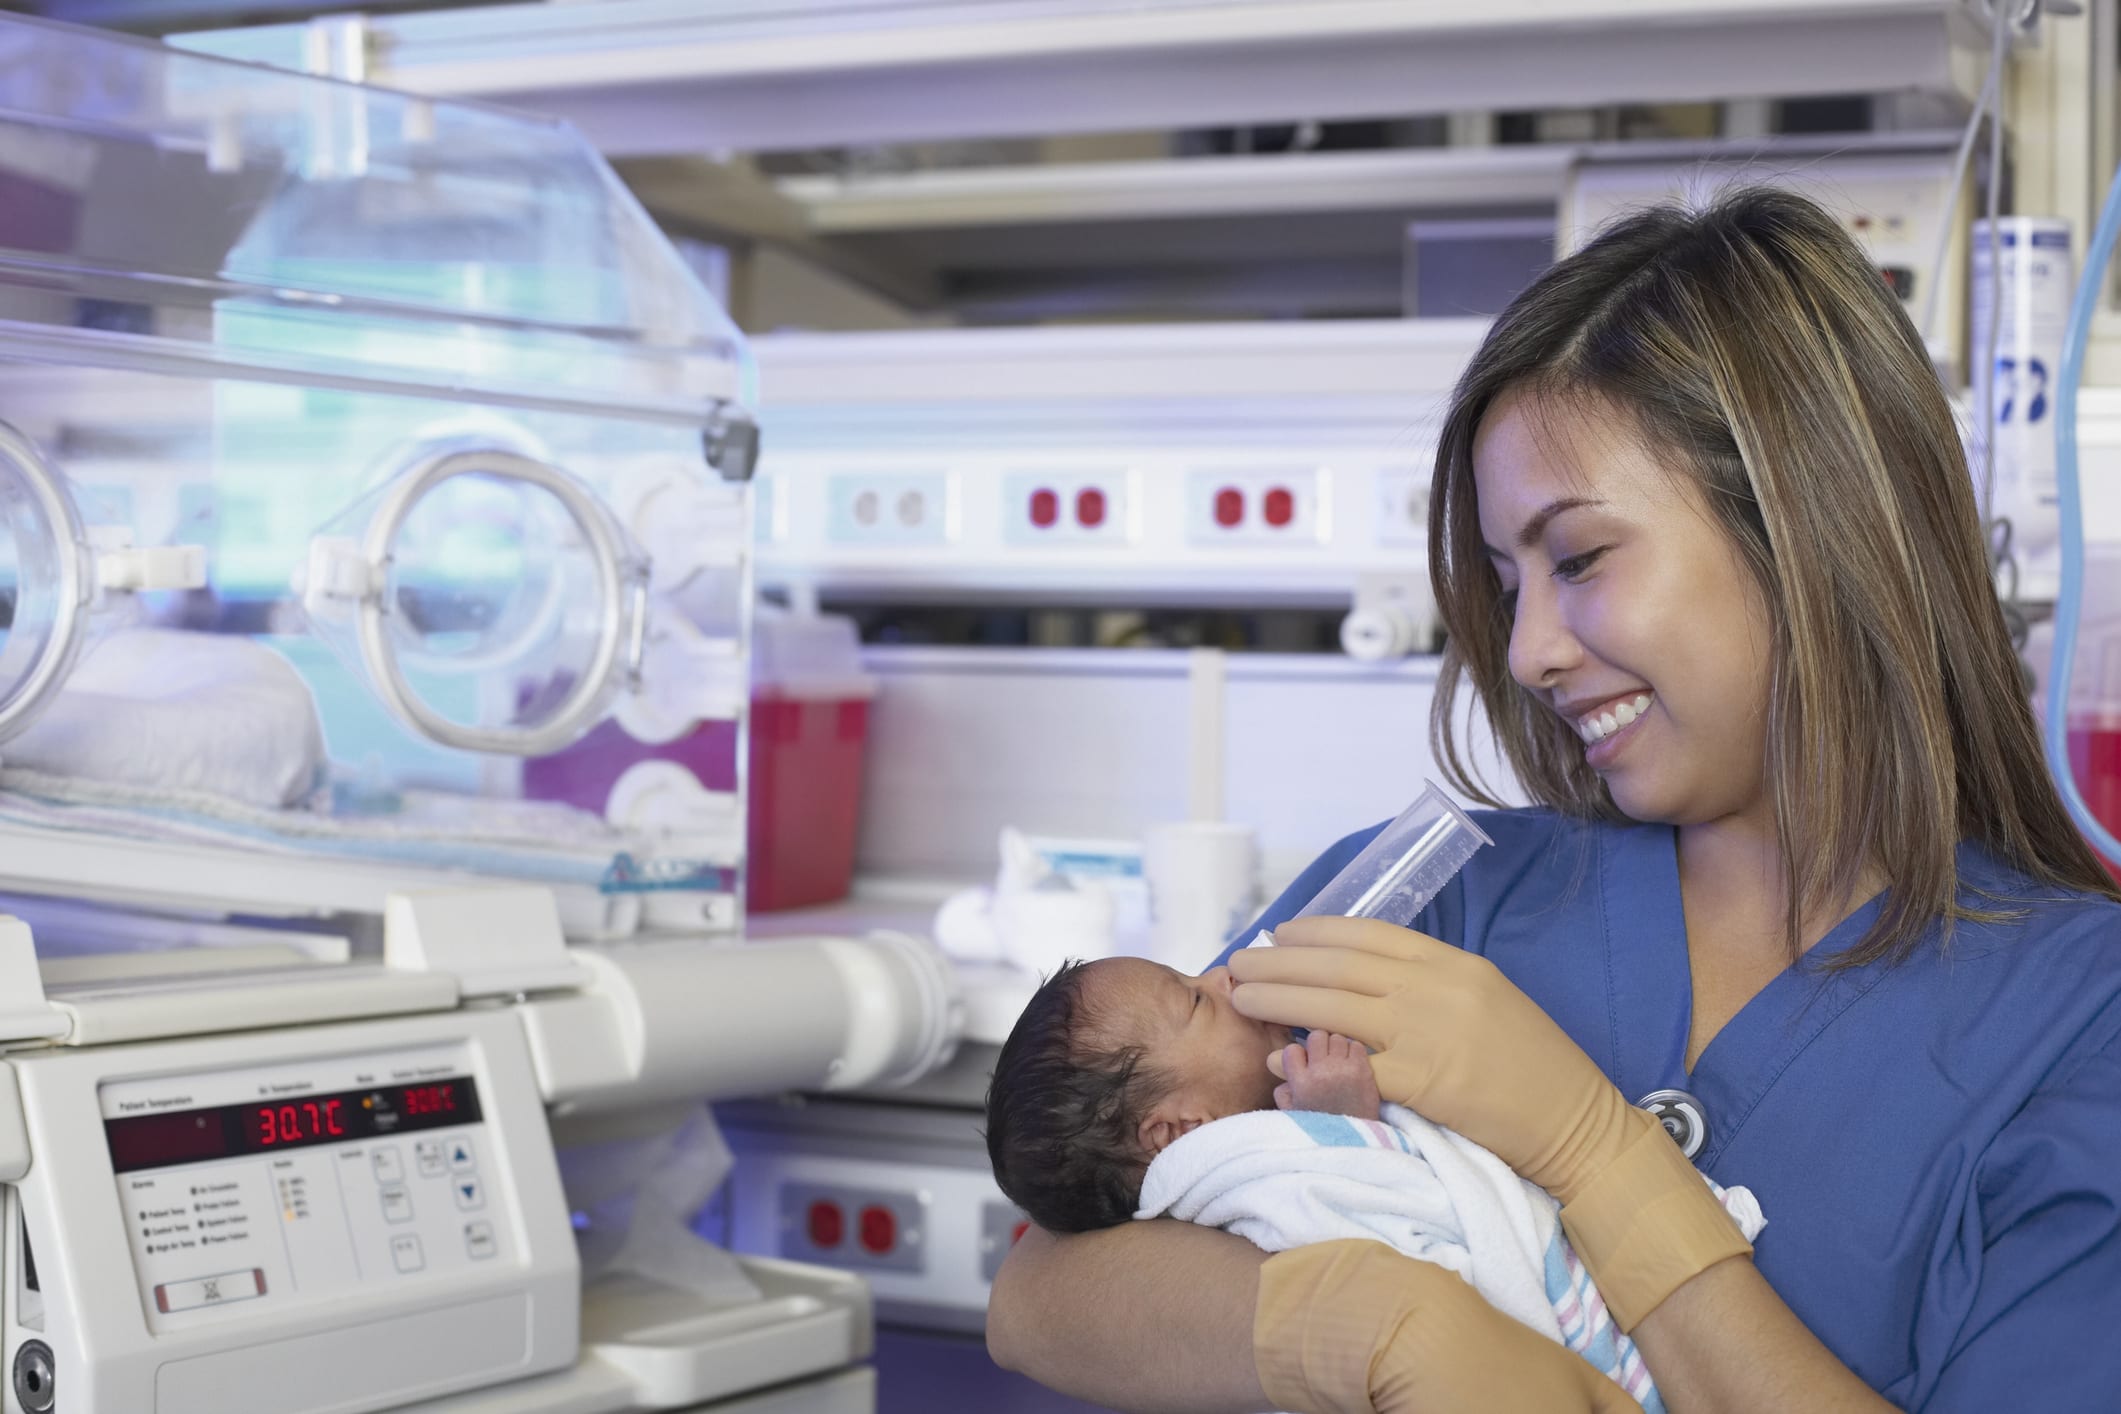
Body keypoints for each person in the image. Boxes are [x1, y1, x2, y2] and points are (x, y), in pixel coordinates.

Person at [986, 186, 2121, 1414]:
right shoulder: (1433, 890)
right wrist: (1384, 1327)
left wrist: (1591, 1148)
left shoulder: (2076, 1019)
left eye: (1577, 558)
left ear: (1811, 524)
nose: (1527, 652)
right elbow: (1052, 1285)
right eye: (1503, 579)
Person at [984, 957, 1764, 1413]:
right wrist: (1347, 1129)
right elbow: (1378, 1217)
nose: (1225, 974)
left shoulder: (1240, 1101)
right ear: (1175, 1130)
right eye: (1195, 998)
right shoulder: (1248, 1169)